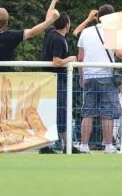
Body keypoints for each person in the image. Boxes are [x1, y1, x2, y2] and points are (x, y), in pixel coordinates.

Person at [76, 4, 122, 154]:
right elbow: (119, 53)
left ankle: (84, 145)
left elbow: (80, 58)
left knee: (88, 112)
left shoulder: (85, 32)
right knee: (107, 112)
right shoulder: (111, 32)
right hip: (106, 76)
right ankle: (108, 145)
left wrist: (81, 76)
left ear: (97, 17)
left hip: (90, 76)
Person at [39, 11, 76, 154]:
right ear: (67, 24)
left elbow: (48, 17)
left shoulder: (50, 32)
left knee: (54, 111)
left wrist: (54, 1)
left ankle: (63, 144)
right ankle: (62, 145)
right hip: (56, 80)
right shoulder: (58, 40)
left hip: (50, 80)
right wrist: (71, 59)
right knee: (60, 112)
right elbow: (56, 61)